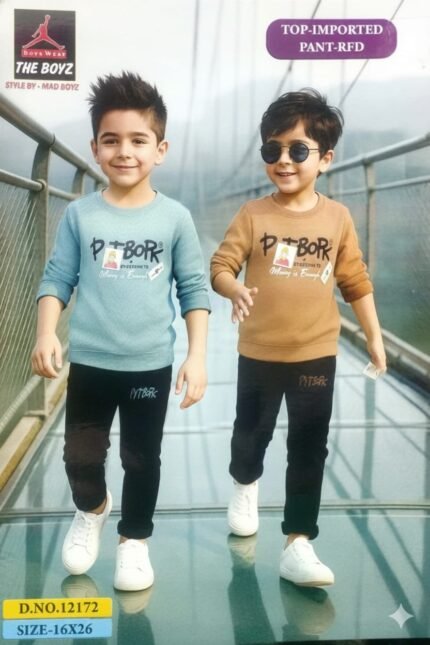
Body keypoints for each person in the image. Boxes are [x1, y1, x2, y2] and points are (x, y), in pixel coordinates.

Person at [31, 72, 210, 592]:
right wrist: (46, 333)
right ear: (95, 148)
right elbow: (57, 278)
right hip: (90, 362)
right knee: (79, 458)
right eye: (111, 140)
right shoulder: (80, 215)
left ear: (160, 149)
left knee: (141, 457)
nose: (124, 152)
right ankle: (92, 508)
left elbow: (193, 289)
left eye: (138, 140)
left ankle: (134, 541)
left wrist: (196, 356)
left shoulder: (175, 218)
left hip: (148, 365)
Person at [210, 88, 386, 587]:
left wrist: (374, 338)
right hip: (259, 353)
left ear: (325, 158)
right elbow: (221, 264)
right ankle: (245, 483)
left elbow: (355, 282)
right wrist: (233, 288)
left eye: (298, 150)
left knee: (309, 445)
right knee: (251, 434)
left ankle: (298, 542)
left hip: (315, 353)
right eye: (273, 149)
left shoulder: (338, 218)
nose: (283, 160)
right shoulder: (253, 214)